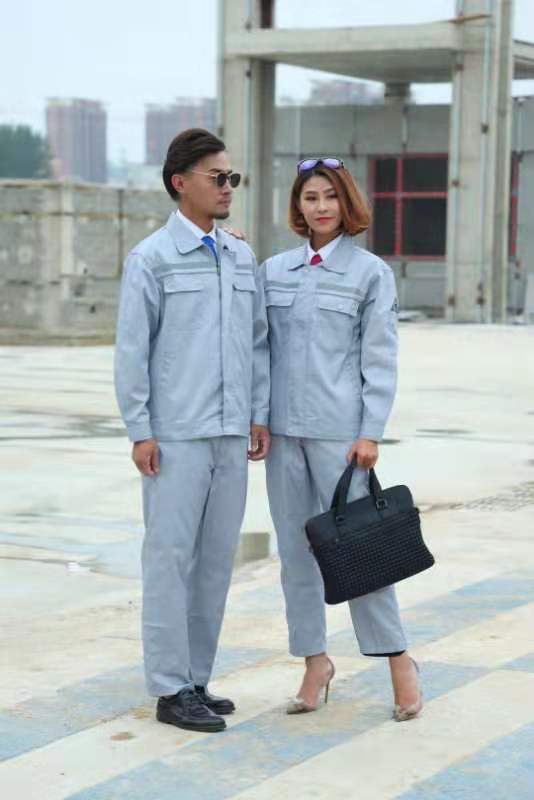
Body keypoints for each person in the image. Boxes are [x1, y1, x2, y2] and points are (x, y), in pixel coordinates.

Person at [114, 128, 270, 733]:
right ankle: (169, 687)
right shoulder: (151, 258)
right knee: (169, 560)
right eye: (217, 177)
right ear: (181, 183)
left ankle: (196, 679)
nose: (228, 187)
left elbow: (257, 343)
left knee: (214, 563)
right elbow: (132, 352)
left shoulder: (239, 256)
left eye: (233, 178)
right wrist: (140, 429)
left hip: (231, 433)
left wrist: (257, 413)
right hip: (175, 435)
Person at [262, 157, 422, 722]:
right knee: (294, 554)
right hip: (284, 436)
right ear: (298, 206)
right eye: (310, 197)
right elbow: (259, 352)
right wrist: (259, 419)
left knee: (361, 552)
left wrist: (370, 432)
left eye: (330, 196)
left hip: (341, 439)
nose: (321, 207)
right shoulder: (274, 271)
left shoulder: (370, 274)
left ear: (346, 202)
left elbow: (379, 359)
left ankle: (398, 659)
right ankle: (314, 661)